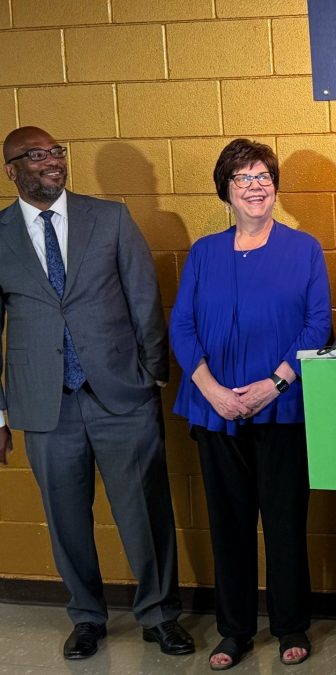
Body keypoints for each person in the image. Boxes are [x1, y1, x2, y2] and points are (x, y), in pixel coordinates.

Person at [0, 126, 193, 660]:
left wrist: (152, 374)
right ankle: (86, 616)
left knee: (145, 514)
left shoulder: (110, 219)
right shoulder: (0, 235)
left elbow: (144, 299)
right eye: (36, 156)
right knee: (65, 519)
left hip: (121, 397)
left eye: (57, 152)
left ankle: (159, 614)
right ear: (11, 169)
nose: (52, 162)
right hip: (44, 405)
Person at [170, 139, 332, 670]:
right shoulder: (203, 253)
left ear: (275, 186)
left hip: (283, 408)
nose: (256, 185)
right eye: (243, 177)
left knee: (285, 525)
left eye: (263, 175)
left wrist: (275, 386)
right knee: (229, 526)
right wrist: (211, 389)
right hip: (214, 410)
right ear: (226, 190)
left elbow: (317, 326)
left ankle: (291, 626)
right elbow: (182, 325)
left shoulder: (304, 249)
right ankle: (234, 631)